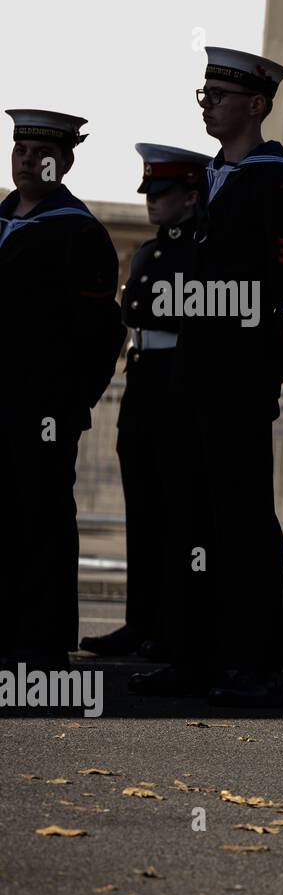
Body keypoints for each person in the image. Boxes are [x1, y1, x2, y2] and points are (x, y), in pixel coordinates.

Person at [128, 46, 283, 707]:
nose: (206, 100)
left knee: (239, 521)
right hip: (193, 372)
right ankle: (195, 651)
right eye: (205, 89)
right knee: (191, 517)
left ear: (257, 105)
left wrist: (275, 362)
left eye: (221, 92)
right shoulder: (212, 176)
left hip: (239, 377)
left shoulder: (280, 182)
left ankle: (254, 662)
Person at [0, 110, 122, 669]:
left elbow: (102, 334)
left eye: (39, 152)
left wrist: (69, 404)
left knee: (40, 520)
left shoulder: (78, 231)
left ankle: (40, 644)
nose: (27, 160)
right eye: (19, 149)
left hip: (42, 407)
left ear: (64, 161)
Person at [81, 144, 207, 663]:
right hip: (144, 377)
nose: (153, 202)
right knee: (143, 508)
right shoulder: (149, 252)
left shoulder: (200, 251)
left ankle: (173, 626)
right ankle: (140, 620)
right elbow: (130, 308)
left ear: (190, 195)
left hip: (178, 380)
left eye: (164, 192)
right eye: (150, 192)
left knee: (178, 512)